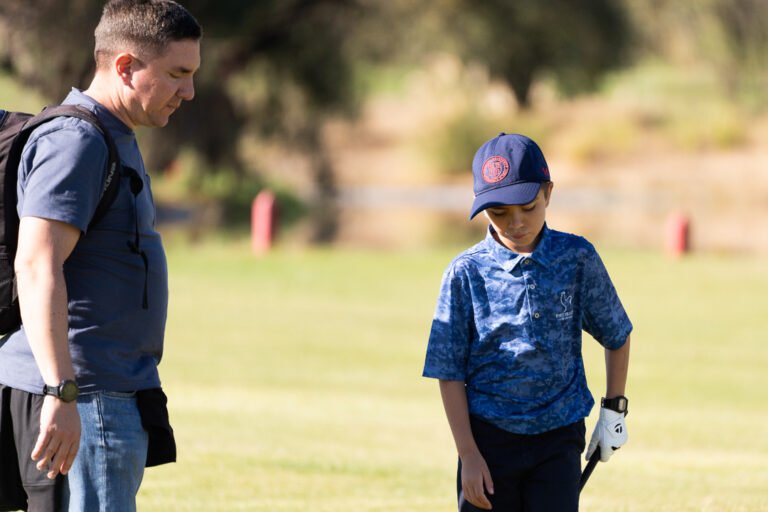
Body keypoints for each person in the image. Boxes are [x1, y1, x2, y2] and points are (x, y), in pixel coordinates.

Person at [0, 1, 201, 510]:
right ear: (125, 66)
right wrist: (61, 392)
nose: (189, 92)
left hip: (96, 392)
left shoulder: (113, 134)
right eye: (177, 74)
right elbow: (36, 263)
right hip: (85, 396)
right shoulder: (78, 141)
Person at [423, 133, 632, 511]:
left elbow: (616, 333)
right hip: (489, 442)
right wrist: (468, 454)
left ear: (548, 193)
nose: (516, 222)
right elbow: (449, 372)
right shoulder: (465, 273)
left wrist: (614, 410)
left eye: (528, 207)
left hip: (559, 438)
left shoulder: (577, 258)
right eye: (499, 212)